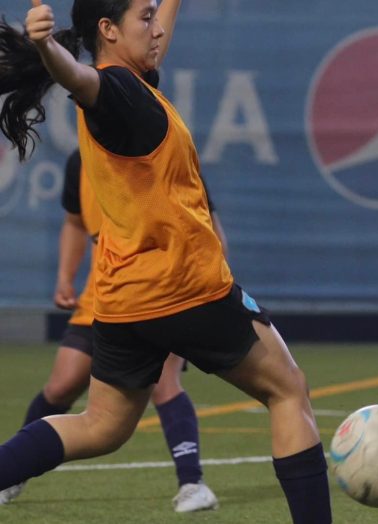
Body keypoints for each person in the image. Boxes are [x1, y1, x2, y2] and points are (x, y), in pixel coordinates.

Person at [0, 1, 332, 522]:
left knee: (101, 427)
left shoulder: (136, 76)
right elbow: (82, 79)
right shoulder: (116, 91)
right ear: (108, 30)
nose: (157, 30)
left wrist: (157, 10)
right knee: (288, 390)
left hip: (123, 301)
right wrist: (45, 48)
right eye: (145, 19)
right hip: (187, 288)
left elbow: (134, 41)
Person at [0, 150, 222, 512]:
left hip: (163, 288)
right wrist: (65, 277)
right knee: (62, 383)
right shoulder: (80, 161)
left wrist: (200, 291)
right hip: (105, 293)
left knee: (164, 384)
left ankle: (193, 484)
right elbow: (74, 222)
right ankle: (13, 472)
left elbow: (207, 224)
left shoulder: (161, 150)